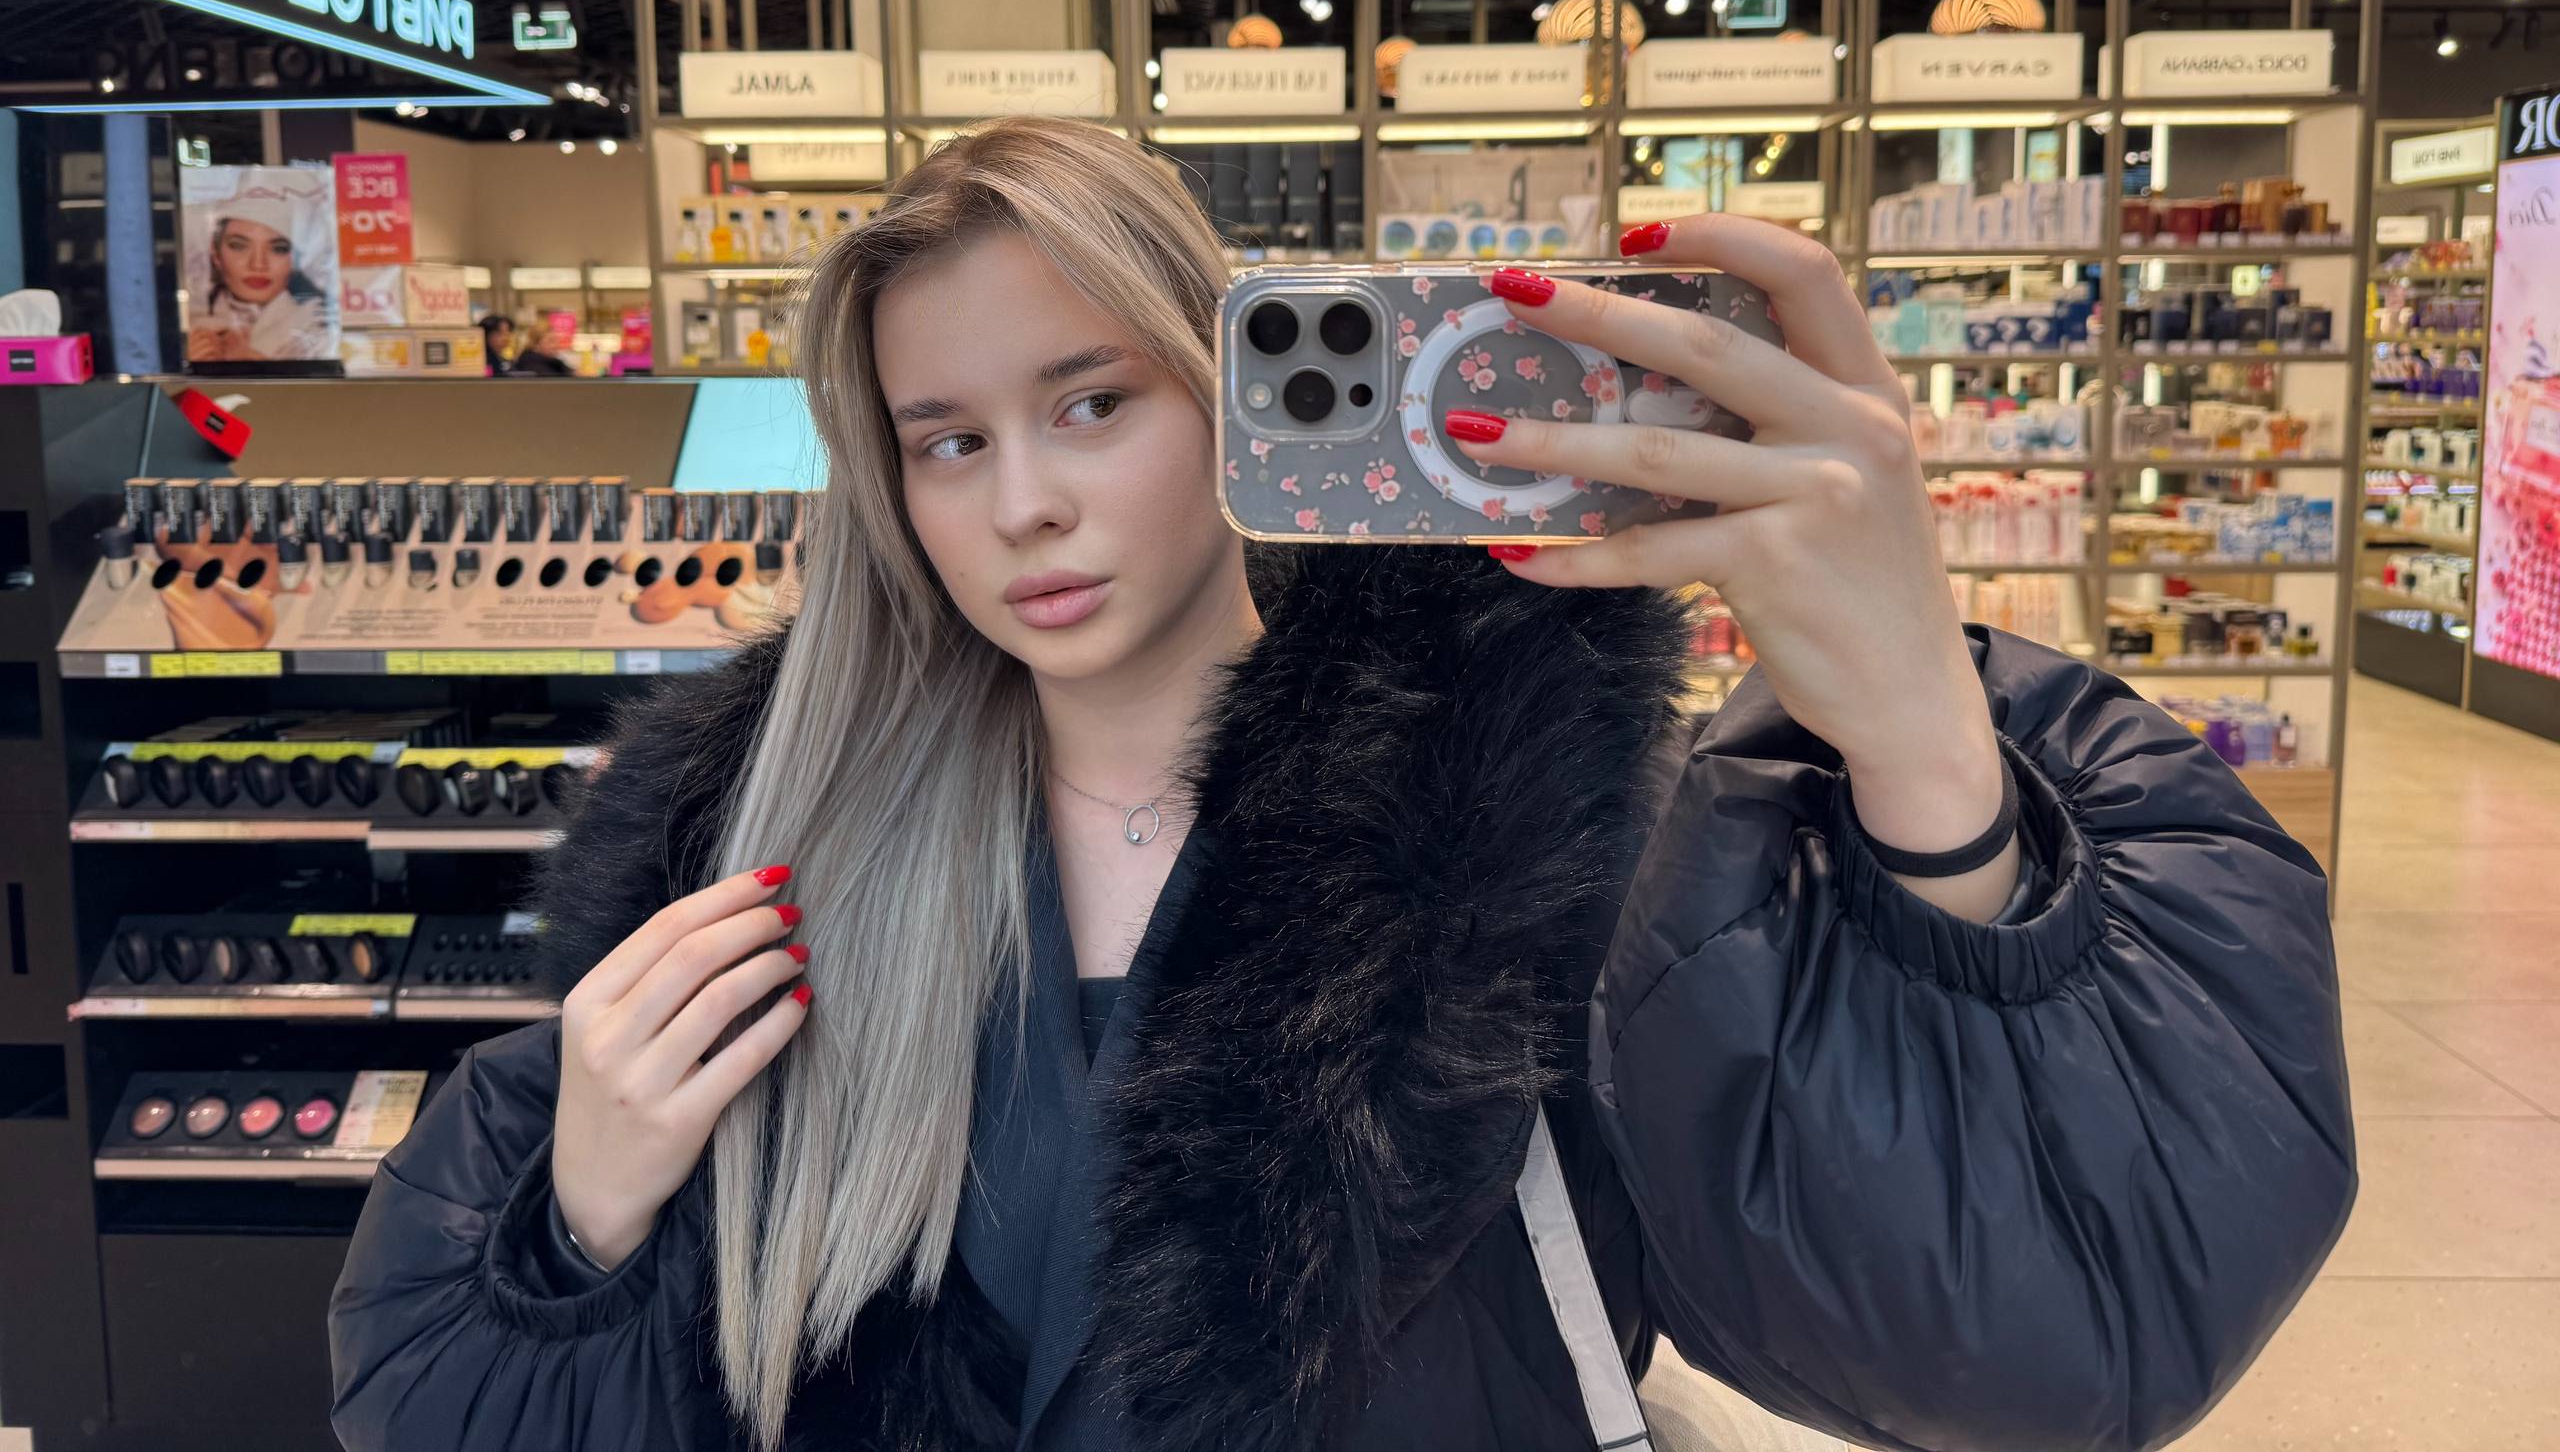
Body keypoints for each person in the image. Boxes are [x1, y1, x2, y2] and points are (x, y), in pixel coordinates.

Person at [327, 119, 2354, 1452]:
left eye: (1091, 402)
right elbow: (448, 1399)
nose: (1021, 502)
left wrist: (1920, 741)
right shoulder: (772, 865)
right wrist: (573, 1227)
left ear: (1238, 396)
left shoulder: (1530, 846)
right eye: (946, 439)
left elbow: (2046, 1335)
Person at [187, 187, 333, 361]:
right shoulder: (189, 323)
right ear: (216, 253)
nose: (258, 264)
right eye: (238, 246)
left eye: (278, 249)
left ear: (296, 259)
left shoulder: (314, 326)